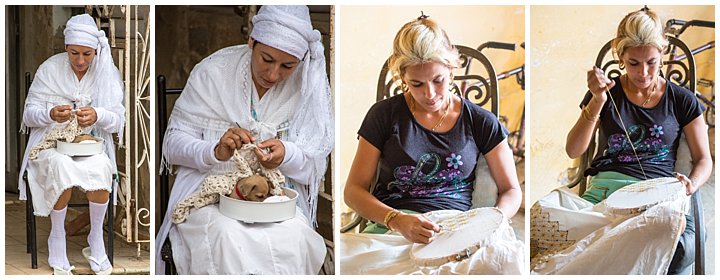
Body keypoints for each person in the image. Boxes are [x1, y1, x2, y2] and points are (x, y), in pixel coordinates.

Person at [154, 5, 333, 275]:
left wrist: (288, 154)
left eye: (287, 66)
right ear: (251, 41)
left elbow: (314, 168)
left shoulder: (306, 87)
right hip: (209, 193)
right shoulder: (213, 72)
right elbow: (172, 145)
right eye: (266, 59)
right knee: (227, 235)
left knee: (294, 236)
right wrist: (215, 151)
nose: (273, 75)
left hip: (274, 198)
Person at [532, 7, 712, 274]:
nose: (644, 73)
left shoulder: (680, 99)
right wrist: (597, 101)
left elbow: (704, 159)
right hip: (604, 193)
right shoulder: (605, 92)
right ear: (621, 57)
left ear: (662, 53)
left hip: (655, 196)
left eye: (651, 62)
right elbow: (574, 149)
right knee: (540, 214)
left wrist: (690, 185)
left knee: (658, 226)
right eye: (634, 63)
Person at [342, 15, 522, 274]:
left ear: (452, 68)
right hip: (393, 230)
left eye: (438, 80)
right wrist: (396, 219)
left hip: (458, 229)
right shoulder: (383, 115)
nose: (430, 94)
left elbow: (511, 190)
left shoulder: (481, 121)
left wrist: (487, 224)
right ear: (402, 76)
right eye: (416, 84)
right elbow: (353, 191)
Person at [18, 14, 125, 275]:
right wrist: (50, 114)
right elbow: (28, 114)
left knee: (101, 168)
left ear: (96, 51)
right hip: (50, 143)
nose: (80, 61)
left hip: (89, 145)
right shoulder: (50, 69)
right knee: (60, 166)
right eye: (74, 53)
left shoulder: (107, 72)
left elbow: (118, 119)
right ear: (65, 48)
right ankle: (57, 237)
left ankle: (96, 238)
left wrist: (97, 115)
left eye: (87, 54)